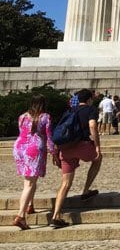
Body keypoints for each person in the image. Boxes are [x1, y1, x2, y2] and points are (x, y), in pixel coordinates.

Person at [50, 89, 103, 228]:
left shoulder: (70, 111)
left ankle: (56, 215)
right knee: (98, 159)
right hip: (81, 146)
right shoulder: (90, 109)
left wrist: (55, 152)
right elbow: (92, 125)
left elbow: (59, 130)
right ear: (90, 99)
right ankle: (86, 190)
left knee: (65, 184)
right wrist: (97, 146)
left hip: (65, 149)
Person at [12, 94, 54, 230]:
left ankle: (30, 205)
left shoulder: (22, 116)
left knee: (29, 180)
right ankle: (20, 216)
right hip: (34, 148)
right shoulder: (45, 117)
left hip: (19, 147)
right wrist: (54, 153)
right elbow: (49, 137)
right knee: (29, 183)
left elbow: (22, 132)